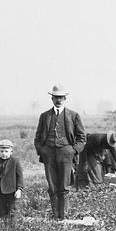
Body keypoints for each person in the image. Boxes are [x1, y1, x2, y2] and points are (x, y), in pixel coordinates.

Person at [34, 85, 86, 219]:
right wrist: (42, 150)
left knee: (64, 186)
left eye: (61, 98)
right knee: (52, 185)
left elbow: (82, 137)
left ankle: (63, 216)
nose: (59, 100)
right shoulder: (44, 116)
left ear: (65, 98)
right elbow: (38, 137)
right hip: (48, 154)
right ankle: (55, 215)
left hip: (66, 153)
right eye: (56, 98)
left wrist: (73, 150)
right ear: (52, 99)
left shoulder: (73, 115)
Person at [0, 140, 24, 219]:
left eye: (6, 151)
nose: (4, 153)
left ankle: (13, 227)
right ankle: (4, 226)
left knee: (12, 209)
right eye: (1, 151)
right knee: (1, 210)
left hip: (11, 190)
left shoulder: (15, 162)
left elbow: (20, 176)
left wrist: (19, 189)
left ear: (11, 151)